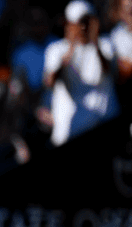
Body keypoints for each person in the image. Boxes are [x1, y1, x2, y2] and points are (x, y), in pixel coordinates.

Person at [43, 0, 120, 146]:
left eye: (86, 21)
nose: (82, 27)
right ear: (68, 24)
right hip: (70, 131)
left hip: (104, 124)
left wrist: (95, 42)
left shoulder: (106, 44)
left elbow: (110, 71)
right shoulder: (56, 50)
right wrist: (70, 49)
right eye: (78, 23)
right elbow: (50, 82)